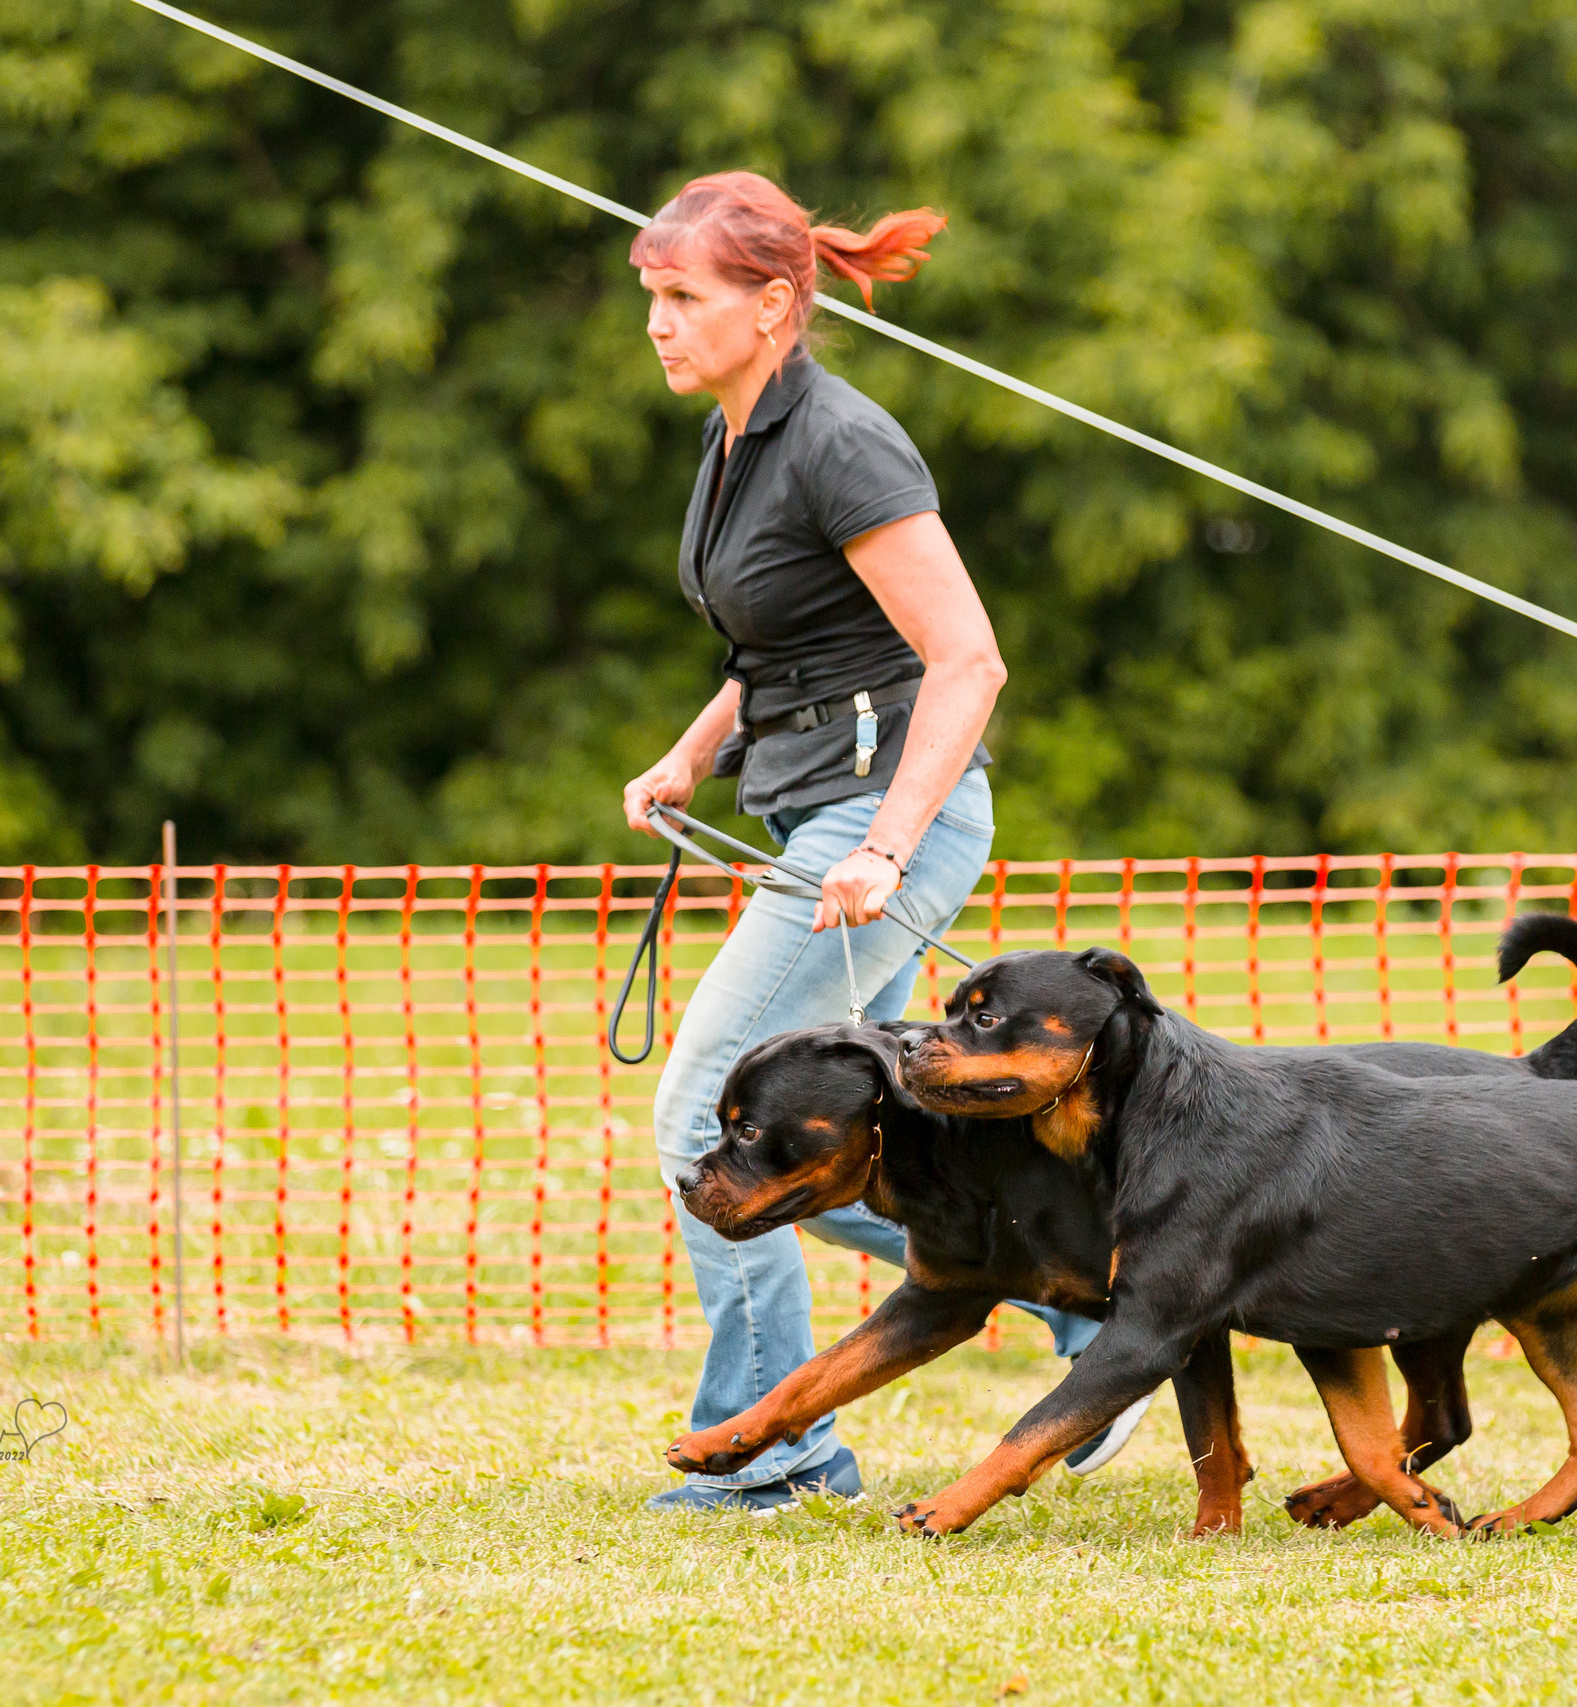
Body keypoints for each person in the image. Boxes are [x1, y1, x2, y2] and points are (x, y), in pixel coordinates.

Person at [625, 172, 1150, 1512]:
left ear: (776, 305)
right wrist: (696, 752)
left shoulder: (844, 443)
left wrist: (885, 847)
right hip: (817, 805)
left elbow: (966, 663)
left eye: (684, 299)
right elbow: (789, 645)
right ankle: (1080, 1303)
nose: (660, 326)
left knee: (707, 1117)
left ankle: (772, 1452)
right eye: (653, 299)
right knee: (889, 1144)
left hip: (885, 819)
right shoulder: (739, 437)